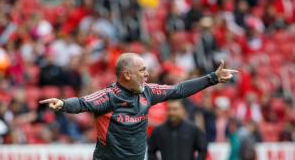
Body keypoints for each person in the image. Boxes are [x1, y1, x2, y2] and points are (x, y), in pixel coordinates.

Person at [40, 53, 238, 160]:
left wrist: (212, 78)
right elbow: (83, 103)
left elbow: (178, 90)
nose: (147, 74)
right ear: (127, 74)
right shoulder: (109, 96)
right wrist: (63, 104)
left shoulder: (148, 92)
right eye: (142, 70)